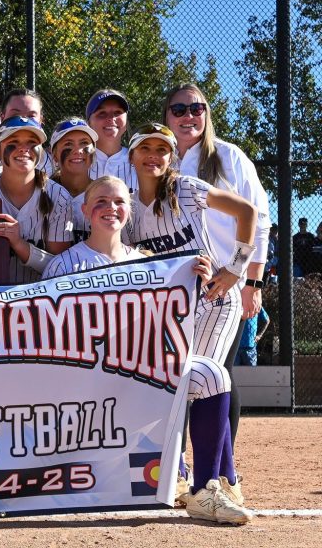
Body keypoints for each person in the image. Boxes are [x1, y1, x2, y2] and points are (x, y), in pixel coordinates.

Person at [42, 174, 252, 525]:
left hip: (142, 372)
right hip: (86, 383)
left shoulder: (150, 262)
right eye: (101, 201)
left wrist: (195, 278)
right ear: (84, 210)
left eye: (120, 202)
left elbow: (172, 322)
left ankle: (204, 489)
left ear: (129, 211)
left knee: (212, 375)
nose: (111, 208)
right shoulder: (63, 266)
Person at [126, 123, 257, 524]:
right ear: (132, 156)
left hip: (214, 298)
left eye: (162, 150)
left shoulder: (184, 187)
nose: (153, 156)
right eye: (145, 148)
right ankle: (221, 476)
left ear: (172, 157)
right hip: (169, 310)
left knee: (204, 378)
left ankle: (207, 486)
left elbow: (246, 211)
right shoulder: (128, 207)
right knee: (187, 385)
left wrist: (237, 268)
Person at [164, 83, 272, 446]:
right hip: (174, 286)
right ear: (166, 116)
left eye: (196, 108)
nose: (188, 116)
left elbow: (260, 221)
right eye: (178, 109)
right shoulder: (158, 159)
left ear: (207, 114)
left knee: (216, 372)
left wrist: (248, 281)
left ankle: (222, 471)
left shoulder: (229, 157)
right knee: (176, 372)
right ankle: (174, 467)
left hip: (223, 285)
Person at [0, 116, 74, 283]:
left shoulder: (58, 196)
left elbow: (61, 268)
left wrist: (19, 244)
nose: (24, 148)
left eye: (32, 142)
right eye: (14, 141)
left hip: (41, 296)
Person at [47, 117, 99, 243]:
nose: (78, 150)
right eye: (68, 144)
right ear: (54, 155)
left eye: (84, 143)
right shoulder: (44, 193)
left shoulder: (104, 194)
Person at [0, 88, 56, 176]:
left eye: (31, 116)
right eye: (15, 115)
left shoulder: (53, 164)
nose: (23, 120)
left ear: (41, 120)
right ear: (2, 118)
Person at [85, 89, 136, 189]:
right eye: (102, 113)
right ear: (89, 123)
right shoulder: (77, 160)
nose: (111, 118)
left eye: (118, 112)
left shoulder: (139, 161)